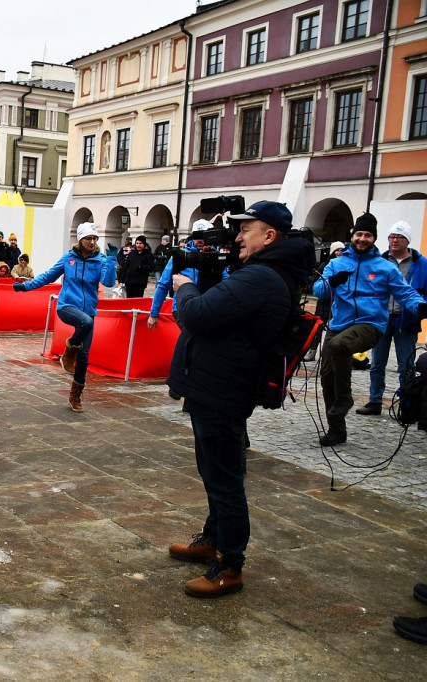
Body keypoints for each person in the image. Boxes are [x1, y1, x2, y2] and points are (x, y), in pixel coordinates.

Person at [166, 200, 312, 598]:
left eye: (246, 229)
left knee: (226, 478)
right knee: (214, 471)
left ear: (270, 236)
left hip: (223, 388)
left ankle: (230, 564)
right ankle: (213, 539)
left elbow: (197, 315)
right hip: (218, 383)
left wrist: (187, 286)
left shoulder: (261, 278)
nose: (237, 236)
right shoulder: (261, 273)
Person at [313, 214, 427, 445]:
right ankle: (336, 429)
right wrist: (332, 282)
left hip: (370, 324)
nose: (362, 239)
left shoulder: (384, 267)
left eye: (368, 235)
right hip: (339, 324)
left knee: (339, 345)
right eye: (359, 234)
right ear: (352, 236)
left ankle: (345, 399)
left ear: (374, 239)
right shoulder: (336, 263)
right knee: (327, 376)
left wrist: (420, 307)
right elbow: (319, 290)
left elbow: (405, 293)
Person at [14, 222, 116, 411]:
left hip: (88, 310)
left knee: (84, 357)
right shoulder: (69, 258)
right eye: (88, 239)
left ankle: (75, 395)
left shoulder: (100, 260)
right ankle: (69, 351)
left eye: (94, 239)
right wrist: (26, 286)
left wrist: (111, 261)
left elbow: (108, 282)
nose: (92, 242)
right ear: (80, 240)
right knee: (85, 322)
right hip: (67, 306)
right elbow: (48, 276)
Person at [356, 221, 427, 416]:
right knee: (377, 364)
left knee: (407, 366)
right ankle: (374, 401)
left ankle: (408, 404)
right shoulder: (379, 261)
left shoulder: (421, 264)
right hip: (381, 319)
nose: (395, 241)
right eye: (392, 237)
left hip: (407, 320)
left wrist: (421, 307)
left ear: (407, 241)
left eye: (400, 237)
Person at [148, 220, 212, 331]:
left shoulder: (215, 255)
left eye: (203, 235)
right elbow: (163, 285)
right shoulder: (180, 256)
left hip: (208, 306)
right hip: (183, 307)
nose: (200, 239)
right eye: (197, 235)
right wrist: (154, 314)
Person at [304, 241, 345, 361]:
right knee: (318, 328)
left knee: (335, 329)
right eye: (336, 250)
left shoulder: (345, 265)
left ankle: (330, 352)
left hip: (337, 303)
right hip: (324, 303)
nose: (339, 253)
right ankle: (312, 350)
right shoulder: (325, 266)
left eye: (341, 250)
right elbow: (316, 283)